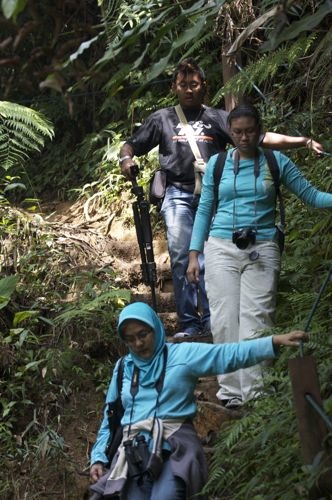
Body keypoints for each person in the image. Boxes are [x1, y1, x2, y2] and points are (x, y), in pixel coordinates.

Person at [119, 58, 324, 338]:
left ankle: (213, 321)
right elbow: (132, 143)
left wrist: (302, 141)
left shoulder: (216, 118)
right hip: (177, 193)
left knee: (210, 256)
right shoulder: (162, 118)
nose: (189, 90)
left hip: (214, 194)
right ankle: (190, 323)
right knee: (182, 254)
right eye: (183, 85)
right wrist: (126, 159)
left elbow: (256, 139)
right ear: (174, 88)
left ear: (204, 86)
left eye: (194, 84)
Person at [187, 103, 332, 409]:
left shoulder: (276, 162)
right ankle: (230, 395)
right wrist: (193, 253)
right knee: (225, 321)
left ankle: (256, 397)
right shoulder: (217, 164)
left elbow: (312, 196)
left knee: (256, 321)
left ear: (259, 131)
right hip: (221, 247)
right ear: (230, 131)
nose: (243, 137)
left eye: (249, 131)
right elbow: (204, 209)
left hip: (262, 247)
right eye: (237, 132)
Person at [89, 301, 307, 499]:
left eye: (143, 334)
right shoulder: (122, 368)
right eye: (130, 339)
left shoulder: (182, 355)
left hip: (173, 448)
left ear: (155, 328)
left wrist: (274, 342)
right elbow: (110, 417)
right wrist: (98, 457)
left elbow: (227, 354)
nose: (138, 343)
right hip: (132, 453)